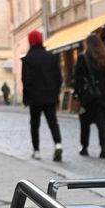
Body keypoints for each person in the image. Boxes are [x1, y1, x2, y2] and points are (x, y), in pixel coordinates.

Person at [21, 29, 64, 160]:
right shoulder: (51, 58)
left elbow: (26, 80)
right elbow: (59, 78)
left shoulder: (28, 60)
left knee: (35, 124)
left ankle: (37, 150)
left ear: (30, 41)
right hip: (50, 97)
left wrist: (26, 98)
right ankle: (58, 144)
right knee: (53, 122)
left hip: (34, 99)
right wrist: (55, 92)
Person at [74, 34, 105, 159]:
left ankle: (84, 147)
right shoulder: (103, 56)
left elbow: (78, 78)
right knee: (101, 123)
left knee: (85, 122)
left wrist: (77, 94)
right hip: (102, 94)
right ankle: (104, 147)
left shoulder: (83, 57)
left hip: (88, 96)